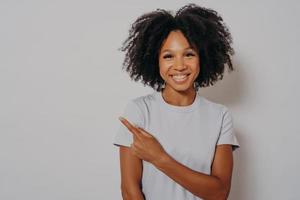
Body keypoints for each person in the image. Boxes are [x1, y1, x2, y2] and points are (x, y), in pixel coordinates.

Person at [113, 3, 240, 200]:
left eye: (189, 54)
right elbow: (130, 192)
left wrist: (159, 157)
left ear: (202, 58)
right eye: (168, 56)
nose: (179, 65)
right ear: (155, 61)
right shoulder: (139, 110)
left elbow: (219, 193)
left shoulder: (219, 116)